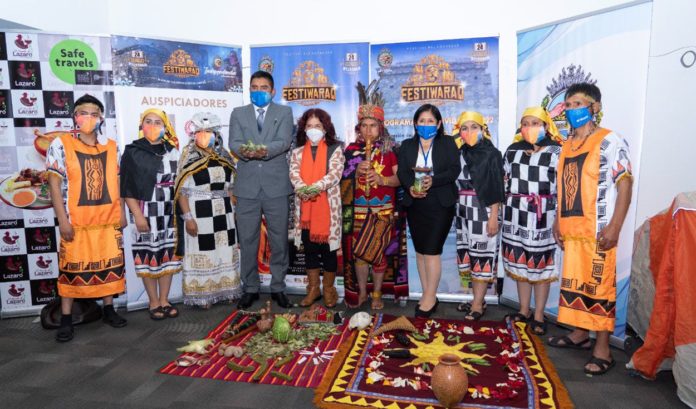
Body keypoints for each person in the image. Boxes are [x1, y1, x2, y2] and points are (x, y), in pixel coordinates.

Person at [548, 83, 632, 376]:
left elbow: (625, 184)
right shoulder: (567, 146)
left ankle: (603, 350)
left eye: (579, 104)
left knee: (598, 289)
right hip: (572, 230)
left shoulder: (610, 140)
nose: (572, 110)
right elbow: (563, 188)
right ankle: (580, 335)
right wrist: (558, 219)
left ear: (594, 107)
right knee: (575, 285)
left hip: (598, 232)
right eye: (568, 105)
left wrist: (615, 226)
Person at [46, 94, 127, 342]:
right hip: (77, 222)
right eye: (83, 113)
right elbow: (53, 183)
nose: (88, 118)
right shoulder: (61, 144)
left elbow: (118, 181)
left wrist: (122, 212)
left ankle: (109, 309)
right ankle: (67, 318)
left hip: (107, 220)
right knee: (71, 269)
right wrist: (62, 220)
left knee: (109, 267)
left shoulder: (112, 146)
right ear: (75, 117)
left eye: (94, 114)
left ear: (101, 118)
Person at [229, 70, 294, 309]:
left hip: (276, 185)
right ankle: (251, 288)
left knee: (278, 240)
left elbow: (284, 142)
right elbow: (234, 143)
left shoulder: (284, 112)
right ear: (249, 89)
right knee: (247, 240)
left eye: (263, 88)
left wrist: (262, 151)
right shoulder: (238, 113)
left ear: (272, 91)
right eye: (254, 87)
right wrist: (246, 151)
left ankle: (278, 287)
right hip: (246, 187)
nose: (258, 91)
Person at [341, 82, 408, 310]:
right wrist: (353, 171)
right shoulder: (350, 151)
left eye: (373, 125)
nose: (368, 130)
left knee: (379, 254)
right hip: (358, 211)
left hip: (383, 210)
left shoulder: (390, 150)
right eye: (364, 126)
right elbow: (340, 181)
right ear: (359, 128)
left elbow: (401, 180)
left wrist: (382, 180)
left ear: (381, 127)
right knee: (360, 255)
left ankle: (377, 293)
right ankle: (362, 292)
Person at [501, 107, 562, 335]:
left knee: (540, 264)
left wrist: (559, 217)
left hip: (543, 215)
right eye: (525, 123)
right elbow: (505, 179)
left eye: (535, 123)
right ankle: (524, 310)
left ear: (546, 125)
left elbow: (563, 187)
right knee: (519, 261)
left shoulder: (557, 151)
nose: (529, 128)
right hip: (515, 213)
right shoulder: (512, 150)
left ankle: (539, 314)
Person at [397, 104, 460, 317]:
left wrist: (433, 180)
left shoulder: (448, 143)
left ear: (439, 123)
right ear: (415, 124)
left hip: (440, 202)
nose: (425, 125)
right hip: (416, 203)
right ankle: (427, 293)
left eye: (430, 121)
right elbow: (403, 173)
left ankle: (430, 298)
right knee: (421, 252)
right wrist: (410, 189)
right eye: (421, 121)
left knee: (432, 251)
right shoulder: (406, 145)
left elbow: (454, 170)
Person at [174, 113, 241, 308]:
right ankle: (204, 293)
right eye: (200, 132)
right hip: (199, 213)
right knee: (204, 251)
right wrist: (188, 219)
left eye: (208, 132)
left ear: (216, 134)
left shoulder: (225, 156)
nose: (204, 135)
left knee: (225, 251)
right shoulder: (188, 156)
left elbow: (231, 188)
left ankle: (226, 289)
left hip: (224, 214)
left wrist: (234, 211)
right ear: (193, 134)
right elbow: (182, 192)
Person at [120, 108, 181, 320]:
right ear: (141, 125)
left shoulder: (173, 150)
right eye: (148, 121)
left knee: (167, 255)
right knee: (148, 255)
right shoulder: (132, 151)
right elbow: (126, 187)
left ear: (165, 127)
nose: (153, 126)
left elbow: (180, 182)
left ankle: (164, 299)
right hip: (144, 209)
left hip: (169, 210)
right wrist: (137, 215)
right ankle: (153, 302)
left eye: (158, 122)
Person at [289, 109, 344, 308]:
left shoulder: (335, 148)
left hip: (328, 209)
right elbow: (294, 174)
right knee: (310, 250)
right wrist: (302, 188)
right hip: (305, 210)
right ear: (304, 128)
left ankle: (329, 290)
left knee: (329, 251)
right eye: (310, 126)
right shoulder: (296, 152)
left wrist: (314, 188)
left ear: (325, 128)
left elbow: (335, 175)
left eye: (318, 126)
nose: (314, 130)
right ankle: (313, 289)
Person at [453, 111, 505, 321]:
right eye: (464, 128)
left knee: (482, 257)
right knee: (468, 257)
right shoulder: (459, 153)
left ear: (483, 129)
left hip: (484, 212)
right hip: (463, 212)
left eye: (474, 127)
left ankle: (477, 305)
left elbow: (497, 187)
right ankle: (477, 298)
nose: (469, 132)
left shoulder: (492, 154)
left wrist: (494, 216)